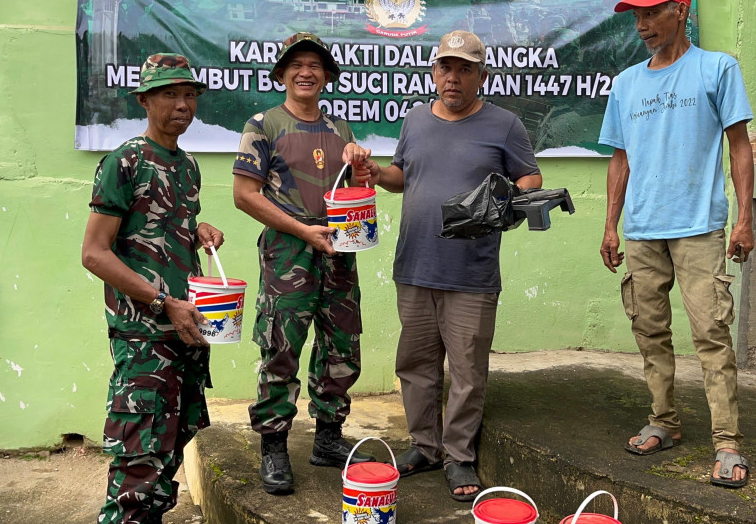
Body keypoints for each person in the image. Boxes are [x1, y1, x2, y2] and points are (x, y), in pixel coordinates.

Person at [356, 30, 542, 502]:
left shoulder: (504, 125)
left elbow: (530, 178)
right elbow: (402, 176)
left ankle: (459, 457)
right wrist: (378, 174)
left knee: (466, 370)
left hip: (472, 272)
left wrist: (504, 199)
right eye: (445, 67)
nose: (452, 78)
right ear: (434, 71)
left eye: (464, 69)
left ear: (481, 75)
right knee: (416, 365)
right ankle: (425, 447)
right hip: (414, 265)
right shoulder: (415, 120)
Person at [598, 0, 754, 488]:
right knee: (649, 330)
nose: (642, 24)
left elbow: (739, 146)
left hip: (698, 226)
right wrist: (610, 226)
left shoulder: (717, 69)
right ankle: (664, 421)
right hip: (643, 228)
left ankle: (727, 442)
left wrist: (746, 218)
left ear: (680, 11)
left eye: (652, 12)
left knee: (711, 333)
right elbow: (620, 159)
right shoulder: (625, 84)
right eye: (637, 15)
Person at [81, 53, 226, 524]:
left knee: (168, 456)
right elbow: (95, 253)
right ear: (144, 100)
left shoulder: (186, 166)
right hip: (144, 337)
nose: (182, 104)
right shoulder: (123, 161)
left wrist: (198, 228)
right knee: (138, 465)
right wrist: (164, 302)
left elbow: (160, 226)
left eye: (189, 95)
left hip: (183, 332)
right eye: (169, 94)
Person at [232, 31, 374, 496]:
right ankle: (274, 448)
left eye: (315, 65)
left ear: (327, 76)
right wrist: (301, 230)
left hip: (339, 249)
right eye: (296, 65)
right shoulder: (263, 125)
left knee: (341, 345)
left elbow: (354, 189)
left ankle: (328, 437)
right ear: (281, 75)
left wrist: (360, 163)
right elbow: (244, 195)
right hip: (288, 250)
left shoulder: (340, 129)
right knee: (280, 348)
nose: (306, 71)